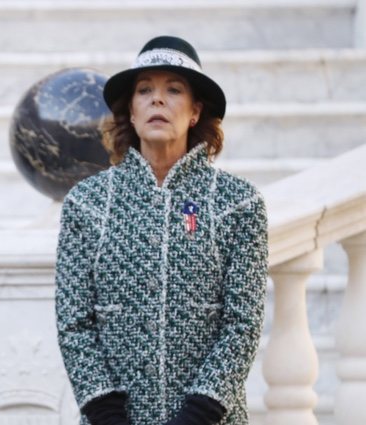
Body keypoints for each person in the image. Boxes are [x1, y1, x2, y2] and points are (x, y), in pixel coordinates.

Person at [55, 36, 268, 425]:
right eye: (145, 90)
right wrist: (105, 412)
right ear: (131, 113)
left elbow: (244, 321)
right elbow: (74, 322)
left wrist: (201, 411)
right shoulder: (86, 202)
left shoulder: (239, 203)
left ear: (194, 112)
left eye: (174, 90)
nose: (158, 100)